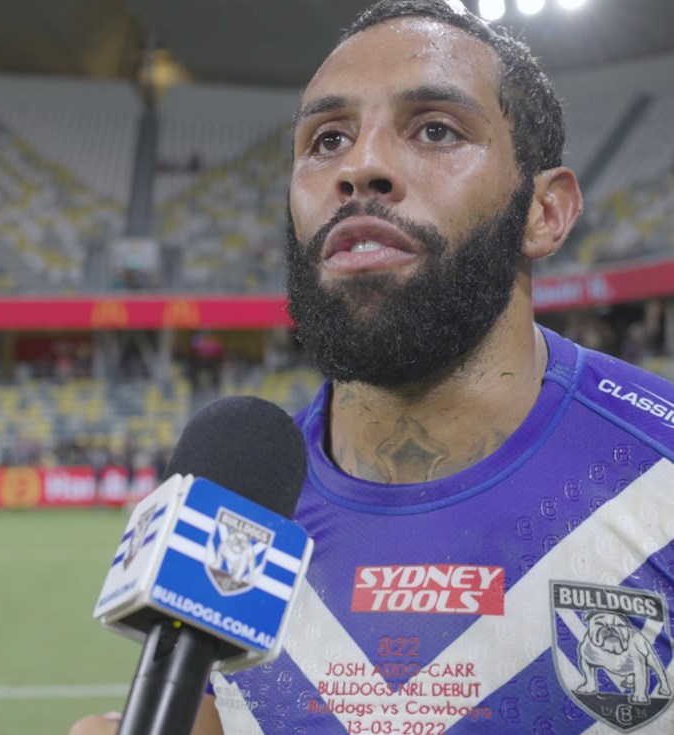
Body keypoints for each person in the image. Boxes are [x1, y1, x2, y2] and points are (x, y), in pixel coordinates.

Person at [70, 0, 674, 732]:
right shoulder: (236, 511)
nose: (359, 167)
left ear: (544, 211)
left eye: (435, 130)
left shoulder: (656, 468)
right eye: (326, 140)